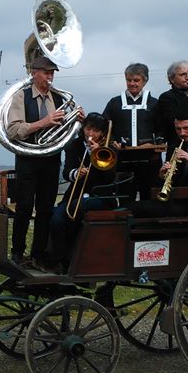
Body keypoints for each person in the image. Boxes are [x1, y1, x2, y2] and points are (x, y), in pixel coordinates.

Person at [5, 55, 83, 268]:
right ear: (34, 72)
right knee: (24, 207)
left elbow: (64, 131)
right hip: (28, 159)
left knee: (46, 209)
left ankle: (38, 254)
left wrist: (77, 119)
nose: (50, 77)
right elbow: (13, 130)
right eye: (46, 73)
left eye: (52, 73)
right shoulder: (21, 96)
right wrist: (43, 122)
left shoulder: (58, 98)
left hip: (51, 160)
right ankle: (18, 253)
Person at [130, 100, 188, 218]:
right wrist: (162, 176)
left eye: (186, 128)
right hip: (178, 201)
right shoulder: (174, 144)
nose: (182, 133)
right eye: (178, 129)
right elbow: (170, 182)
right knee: (133, 208)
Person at [47, 113, 118, 270]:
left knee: (72, 211)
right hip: (77, 193)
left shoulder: (110, 147)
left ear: (103, 133)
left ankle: (73, 260)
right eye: (88, 129)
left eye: (96, 131)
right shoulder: (75, 145)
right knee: (56, 217)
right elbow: (66, 172)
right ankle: (59, 260)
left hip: (100, 196)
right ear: (83, 128)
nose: (91, 134)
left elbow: (109, 178)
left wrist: (97, 153)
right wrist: (75, 173)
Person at [101, 63, 160, 201]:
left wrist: (155, 142)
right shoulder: (114, 103)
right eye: (129, 80)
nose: (132, 83)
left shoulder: (154, 104)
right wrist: (112, 141)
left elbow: (160, 128)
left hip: (149, 160)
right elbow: (104, 126)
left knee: (149, 199)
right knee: (125, 199)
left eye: (136, 80)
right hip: (123, 160)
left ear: (145, 81)